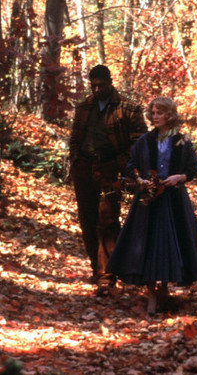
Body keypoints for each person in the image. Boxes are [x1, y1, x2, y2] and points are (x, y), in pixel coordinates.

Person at [106, 97, 197, 315]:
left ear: (169, 115)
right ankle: (151, 294)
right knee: (146, 244)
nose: (155, 117)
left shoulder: (182, 142)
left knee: (169, 245)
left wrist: (178, 178)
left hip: (173, 200)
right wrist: (140, 181)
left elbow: (192, 171)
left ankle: (164, 289)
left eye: (160, 113)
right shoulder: (144, 141)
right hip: (148, 201)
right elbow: (131, 167)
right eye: (153, 113)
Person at [68, 65, 148, 296]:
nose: (97, 89)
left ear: (110, 82)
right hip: (84, 168)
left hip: (110, 170)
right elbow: (75, 137)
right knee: (87, 219)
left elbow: (138, 143)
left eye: (101, 85)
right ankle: (97, 268)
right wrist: (74, 162)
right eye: (93, 85)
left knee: (108, 220)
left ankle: (107, 276)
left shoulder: (128, 108)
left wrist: (119, 166)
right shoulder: (84, 107)